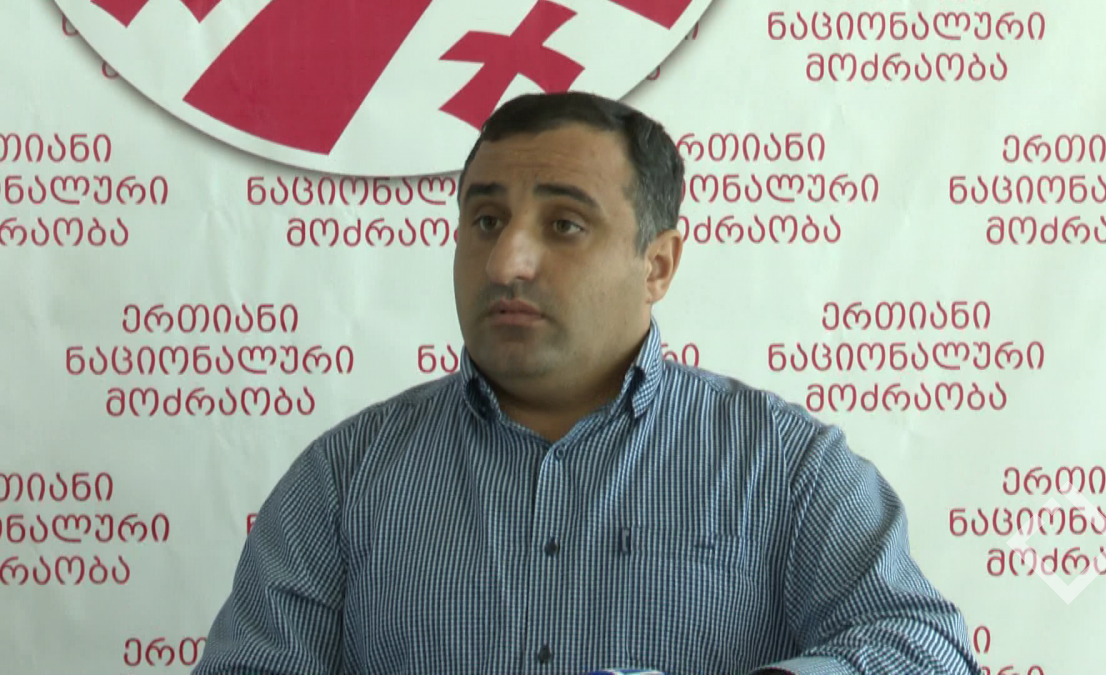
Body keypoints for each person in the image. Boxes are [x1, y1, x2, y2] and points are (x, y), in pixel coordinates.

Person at [192, 91, 981, 675]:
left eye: (564, 225)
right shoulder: (345, 475)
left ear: (658, 263)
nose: (507, 262)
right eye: (487, 221)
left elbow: (927, 650)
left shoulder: (784, 463)